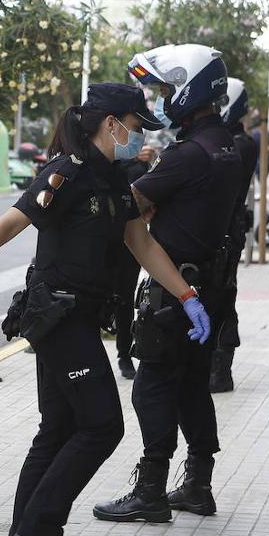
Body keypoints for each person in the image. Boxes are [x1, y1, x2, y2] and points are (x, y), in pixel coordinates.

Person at [0, 84, 211, 536]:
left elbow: (141, 241)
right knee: (102, 426)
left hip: (84, 314)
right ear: (111, 122)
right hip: (58, 315)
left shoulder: (116, 176)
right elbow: (12, 223)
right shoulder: (66, 171)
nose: (139, 138)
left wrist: (185, 294)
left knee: (57, 430)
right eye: (135, 128)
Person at [94, 44, 244, 525]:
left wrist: (133, 188)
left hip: (175, 288)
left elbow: (129, 207)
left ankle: (152, 490)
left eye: (164, 90)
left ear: (188, 87)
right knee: (193, 386)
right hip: (212, 288)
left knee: (152, 387)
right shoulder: (228, 145)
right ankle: (198, 484)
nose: (158, 101)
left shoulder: (187, 156)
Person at [209, 79, 260, 393]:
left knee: (222, 298)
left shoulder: (238, 143)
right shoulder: (233, 140)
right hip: (227, 227)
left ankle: (220, 369)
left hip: (228, 230)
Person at [110, 143, 157, 380]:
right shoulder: (101, 158)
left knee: (125, 298)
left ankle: (124, 352)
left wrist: (149, 162)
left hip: (130, 240)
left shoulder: (141, 163)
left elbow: (147, 198)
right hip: (100, 240)